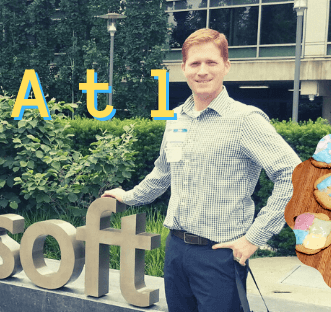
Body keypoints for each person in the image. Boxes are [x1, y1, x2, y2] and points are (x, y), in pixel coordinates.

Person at [102, 28, 301, 312]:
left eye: (211, 62)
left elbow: (294, 176)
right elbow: (162, 172)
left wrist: (253, 239)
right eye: (195, 63)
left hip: (219, 255)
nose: (202, 71)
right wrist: (128, 197)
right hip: (176, 251)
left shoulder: (245, 120)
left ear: (226, 66)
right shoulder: (176, 119)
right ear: (183, 68)